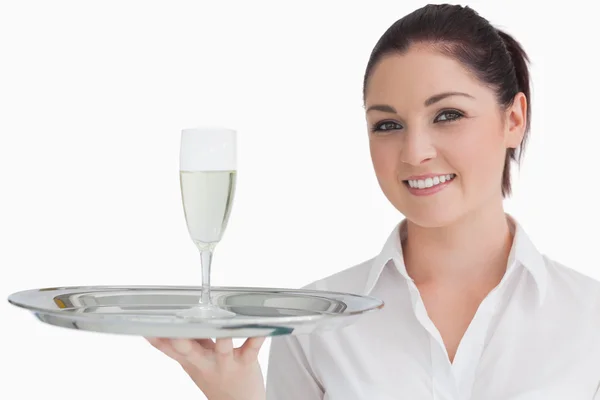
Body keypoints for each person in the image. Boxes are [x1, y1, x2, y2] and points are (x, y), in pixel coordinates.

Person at [146, 3, 600, 399]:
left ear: (514, 119)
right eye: (388, 125)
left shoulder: (589, 321)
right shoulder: (314, 326)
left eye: (448, 115)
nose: (415, 151)